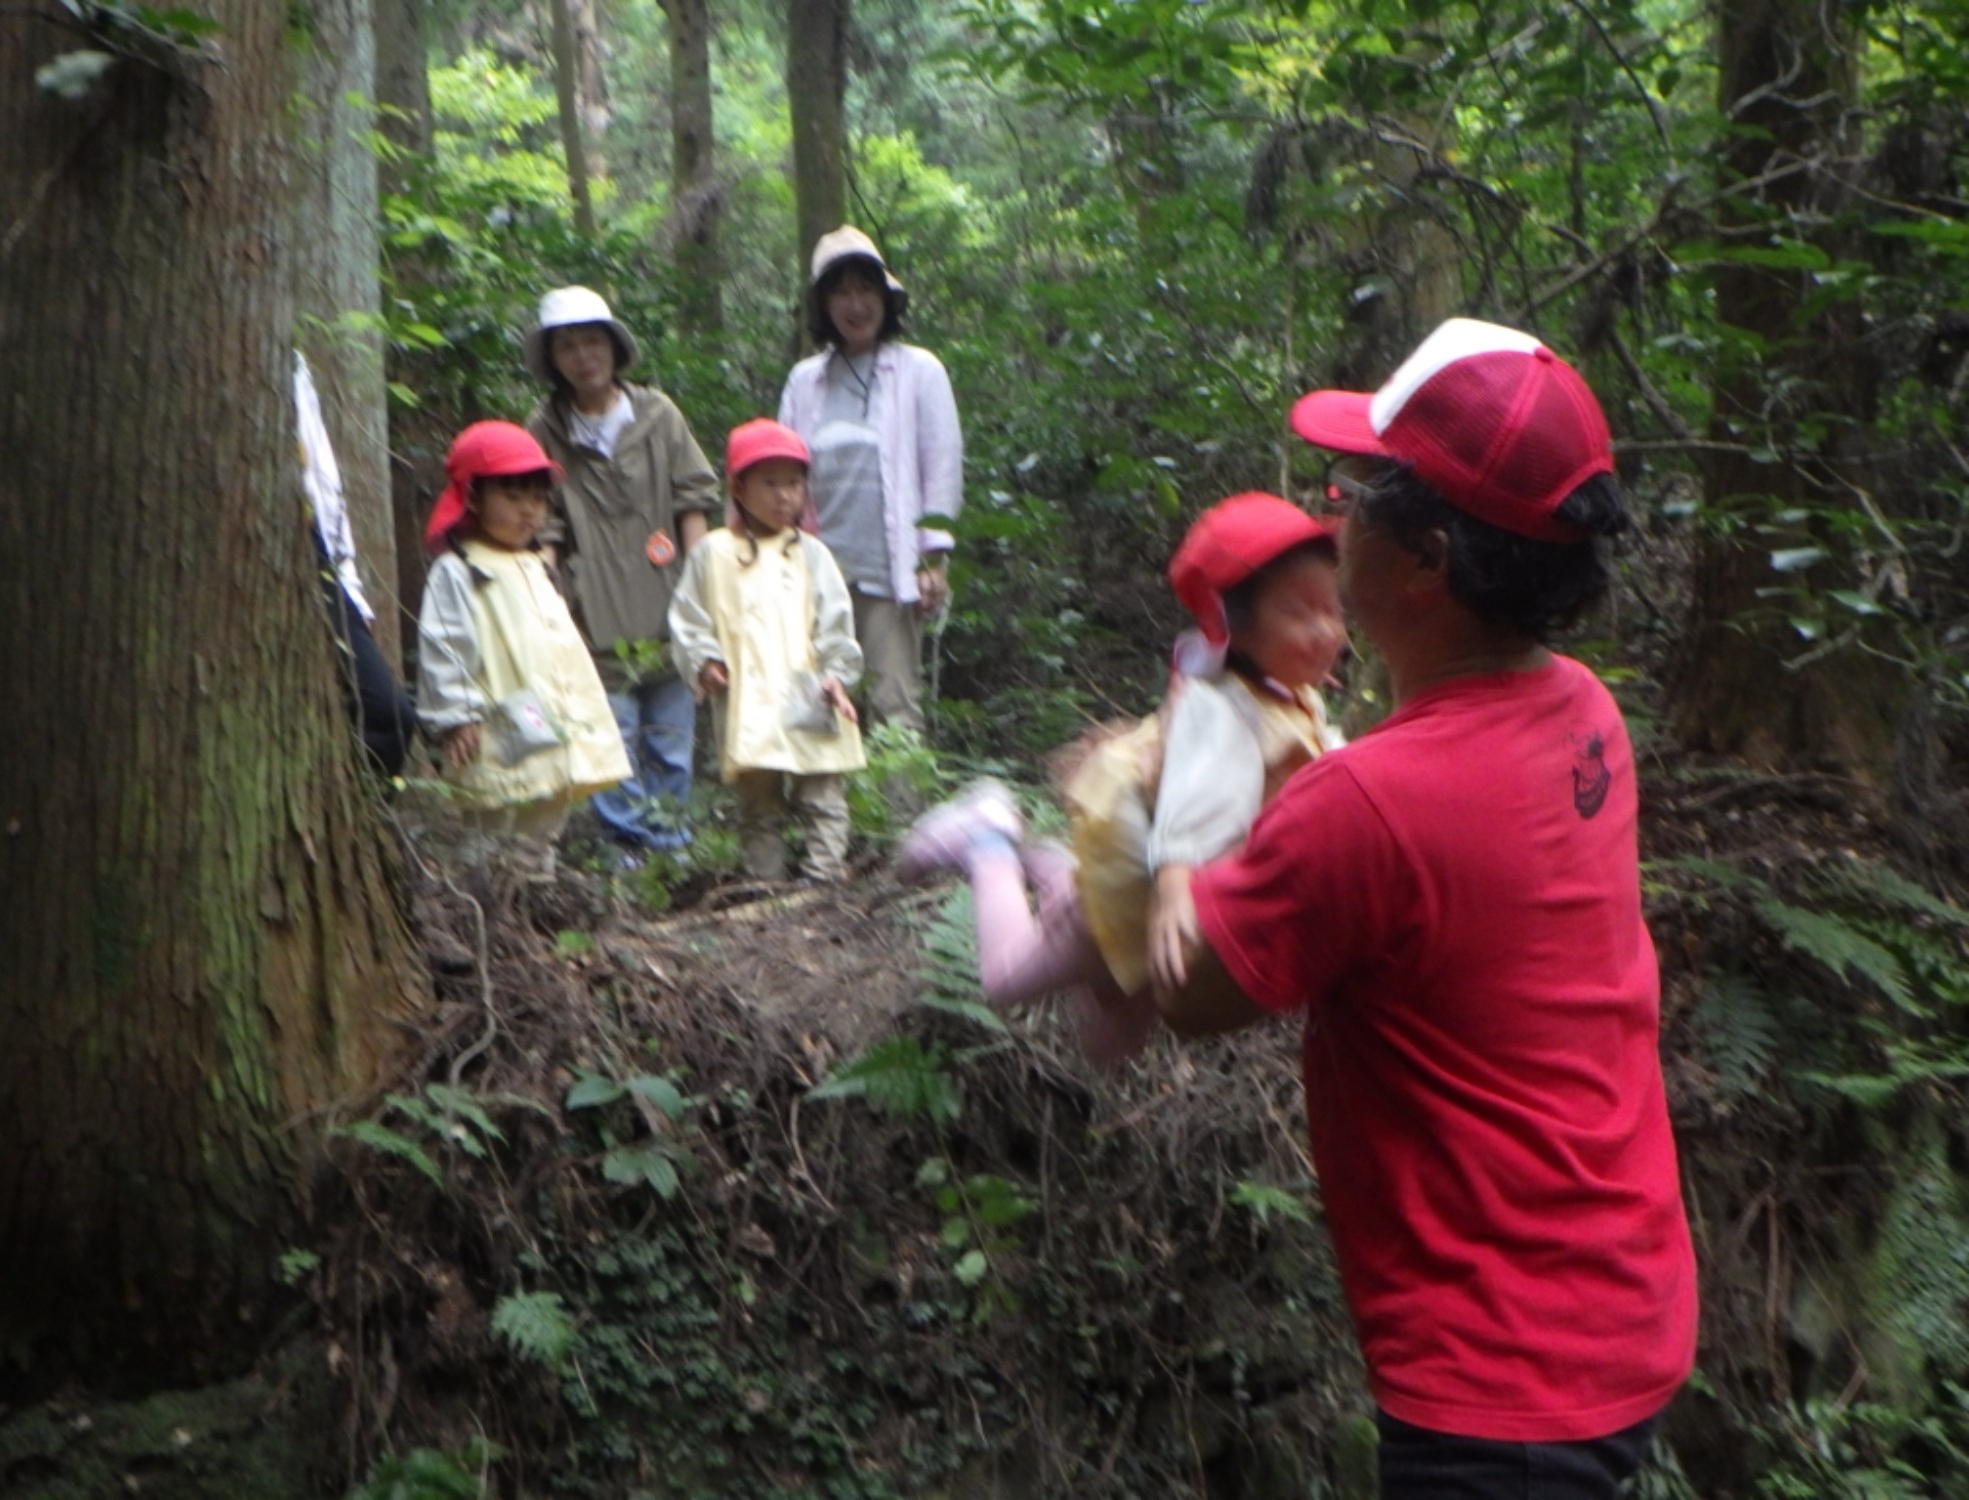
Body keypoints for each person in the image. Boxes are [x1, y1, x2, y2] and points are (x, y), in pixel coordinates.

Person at [1157, 319, 1698, 1497]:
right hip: (1623, 1305)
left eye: (1351, 491)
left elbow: (1188, 991)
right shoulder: (1584, 713)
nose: (1329, 511)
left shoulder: (1364, 803)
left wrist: (1157, 808)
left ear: (1425, 560)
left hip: (1494, 1383)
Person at [896, 493, 1346, 1066]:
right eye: (1299, 612)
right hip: (1129, 900)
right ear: (1233, 625)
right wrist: (1178, 881)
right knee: (1002, 980)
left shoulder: (1291, 698)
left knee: (1111, 1048)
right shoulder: (1221, 711)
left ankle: (1046, 864)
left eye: (1332, 610)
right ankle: (986, 839)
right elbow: (1188, 807)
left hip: (1150, 912)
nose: (1326, 630)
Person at [524, 285, 721, 853]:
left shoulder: (657, 415)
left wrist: (701, 583)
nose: (583, 356)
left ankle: (671, 847)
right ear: (553, 359)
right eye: (567, 346)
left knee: (671, 740)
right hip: (594, 606)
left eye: (592, 342)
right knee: (613, 739)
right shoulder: (545, 428)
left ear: (613, 347)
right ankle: (626, 854)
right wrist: (546, 590)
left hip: (666, 599)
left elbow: (692, 498)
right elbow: (545, 519)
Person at [414, 421, 632, 874]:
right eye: (512, 497)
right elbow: (444, 643)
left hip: (551, 714)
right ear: (473, 498)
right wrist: (454, 714)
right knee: (494, 814)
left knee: (547, 805)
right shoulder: (459, 569)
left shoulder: (536, 564)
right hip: (495, 715)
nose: (527, 511)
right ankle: (486, 900)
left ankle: (535, 893)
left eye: (536, 498)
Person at [777, 226, 962, 747]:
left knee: (893, 708)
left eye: (865, 289)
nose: (855, 304)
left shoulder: (918, 372)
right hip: (815, 575)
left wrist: (934, 558)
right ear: (824, 305)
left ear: (885, 297)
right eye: (841, 292)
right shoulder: (804, 380)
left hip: (889, 571)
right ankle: (831, 826)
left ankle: (901, 824)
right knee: (818, 706)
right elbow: (784, 473)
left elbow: (941, 468)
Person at [668, 419, 866, 884]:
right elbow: (689, 619)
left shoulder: (812, 554)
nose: (785, 497)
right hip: (749, 696)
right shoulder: (713, 553)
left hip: (808, 690)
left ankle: (822, 875)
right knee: (759, 801)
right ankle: (766, 884)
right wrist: (705, 663)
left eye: (794, 483)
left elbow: (835, 623)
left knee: (822, 789)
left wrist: (838, 674)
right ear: (739, 488)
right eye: (770, 484)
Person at [296, 349, 415, 776]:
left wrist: (351, 588)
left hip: (317, 555)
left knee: (391, 718)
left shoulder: (293, 364)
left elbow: (323, 481)